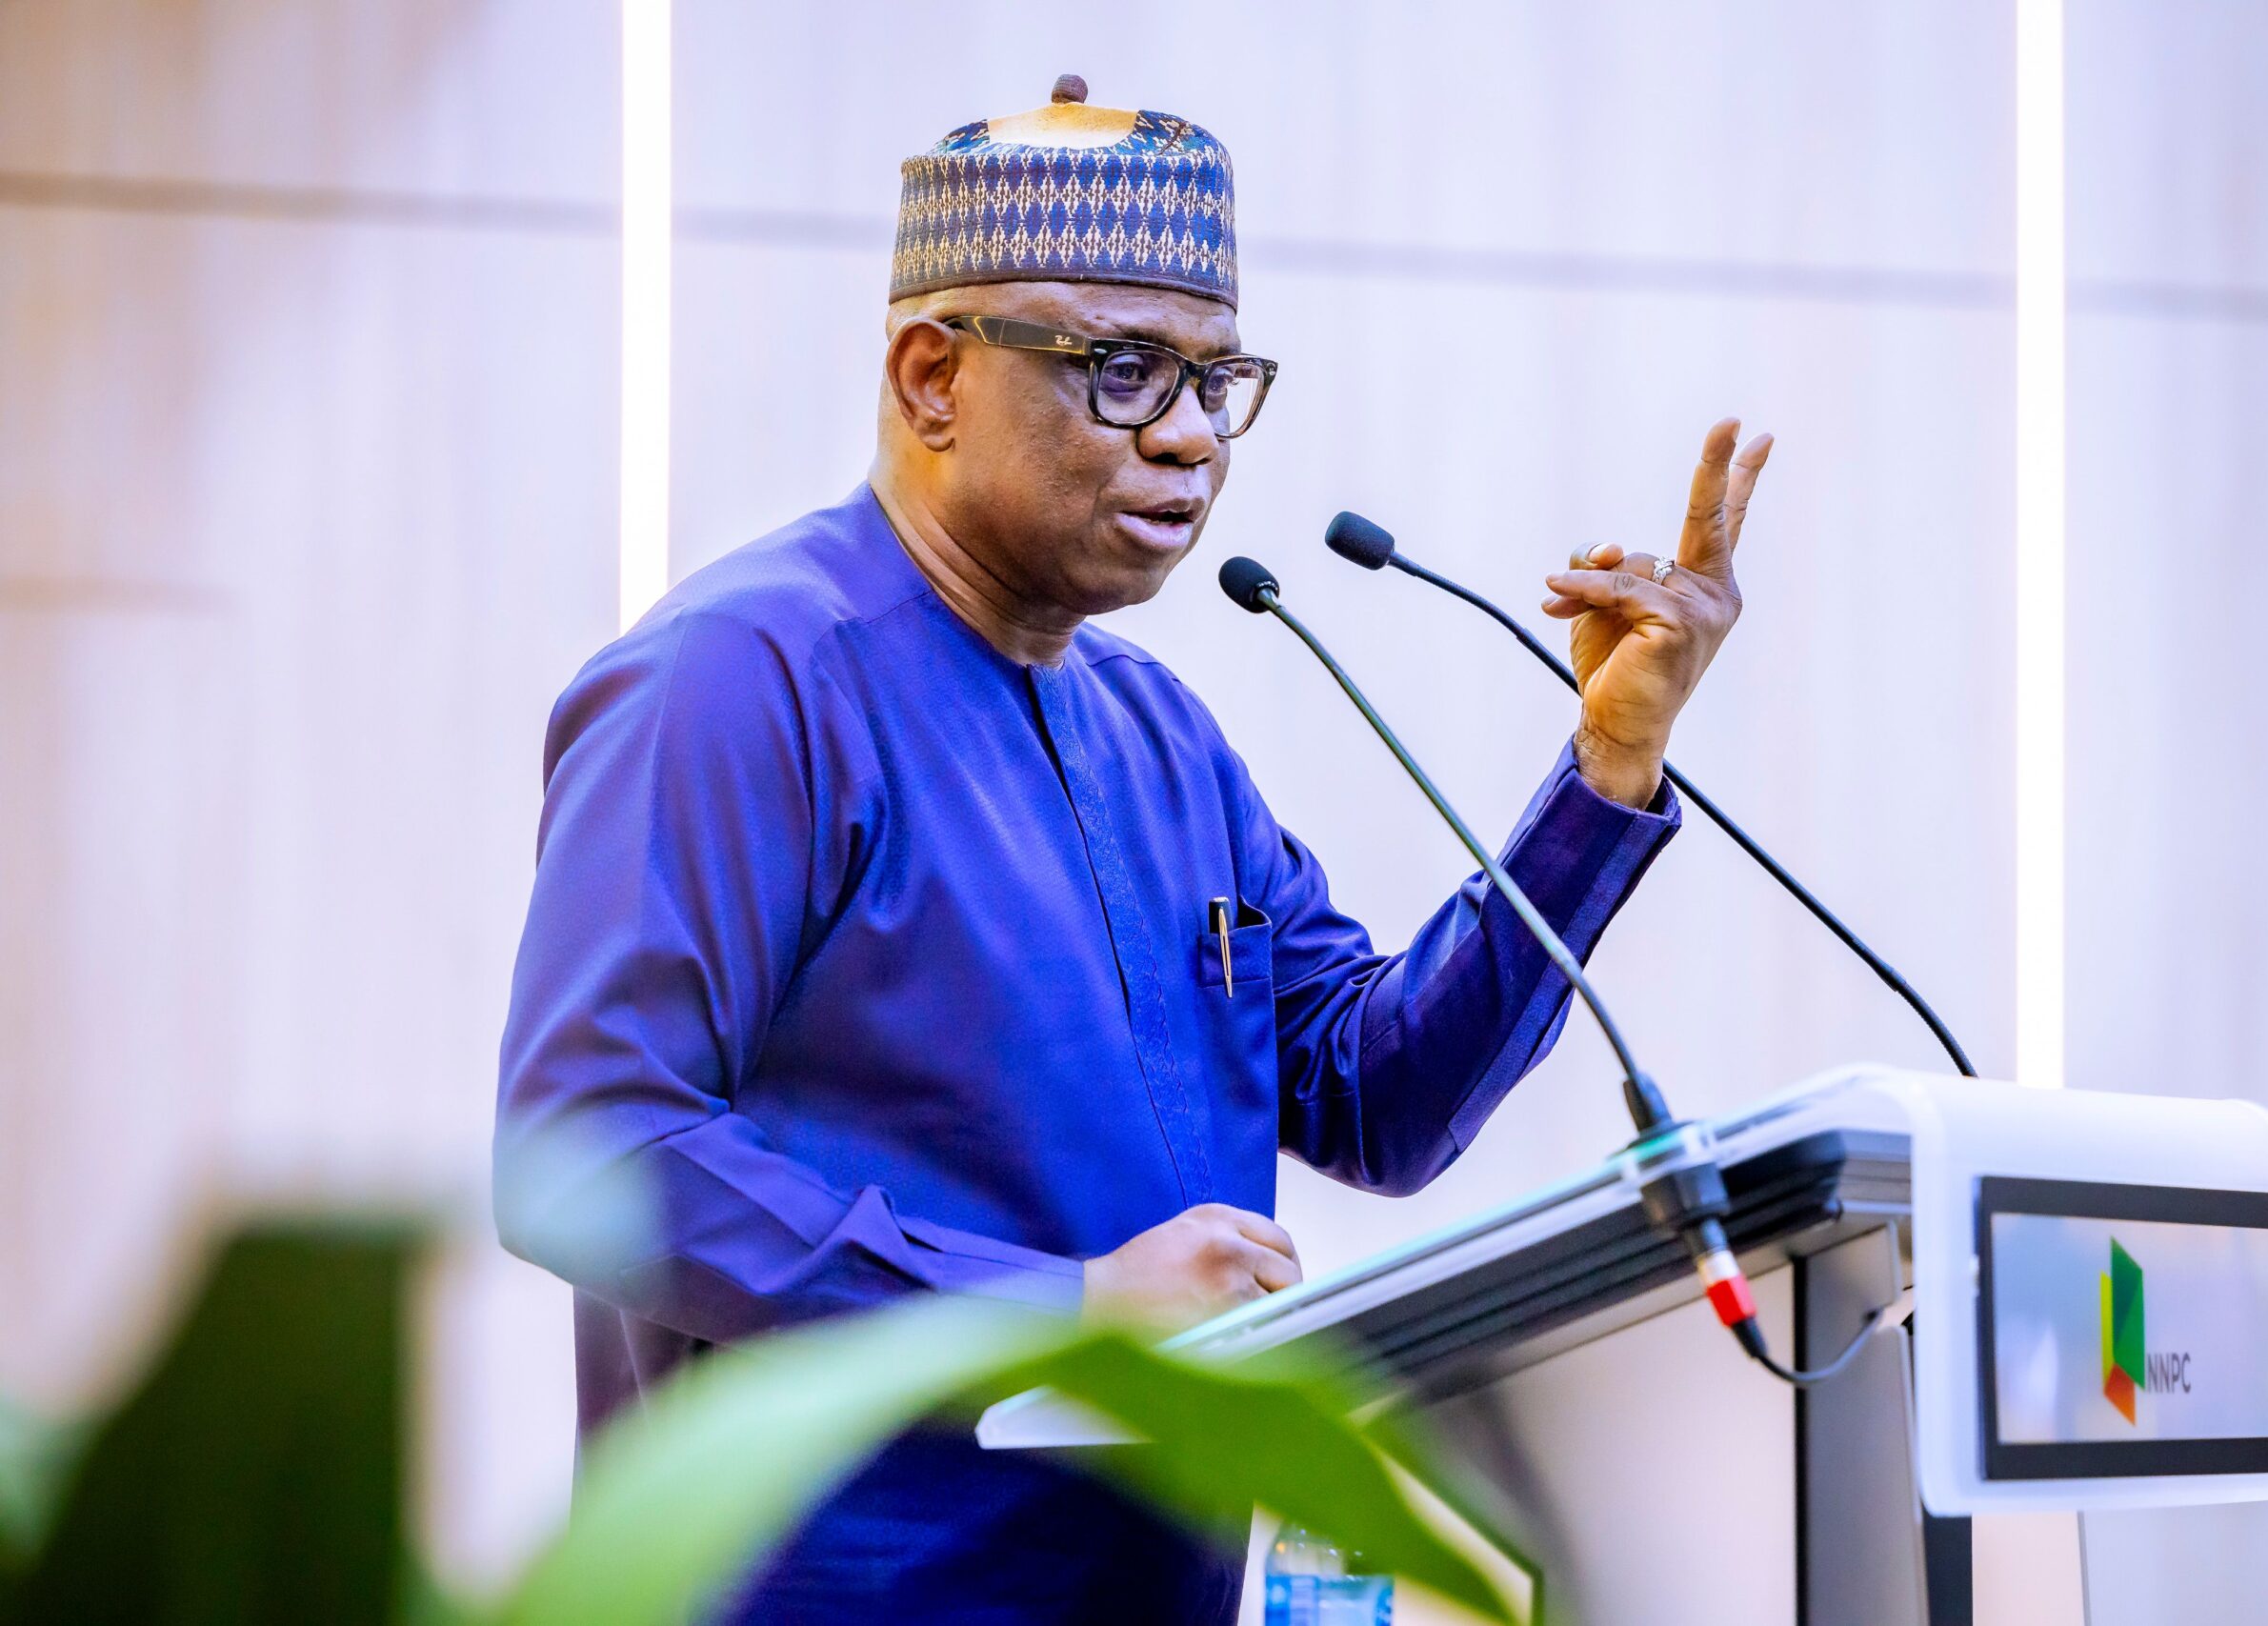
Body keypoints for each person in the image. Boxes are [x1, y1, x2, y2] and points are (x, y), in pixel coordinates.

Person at [494, 74, 1770, 1624]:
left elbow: (1380, 1101)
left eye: (1217, 381)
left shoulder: (1159, 734)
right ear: (931, 378)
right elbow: (591, 1154)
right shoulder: (744, 679)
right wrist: (1060, 1313)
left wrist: (1606, 768)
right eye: (1122, 371)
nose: (1189, 439)